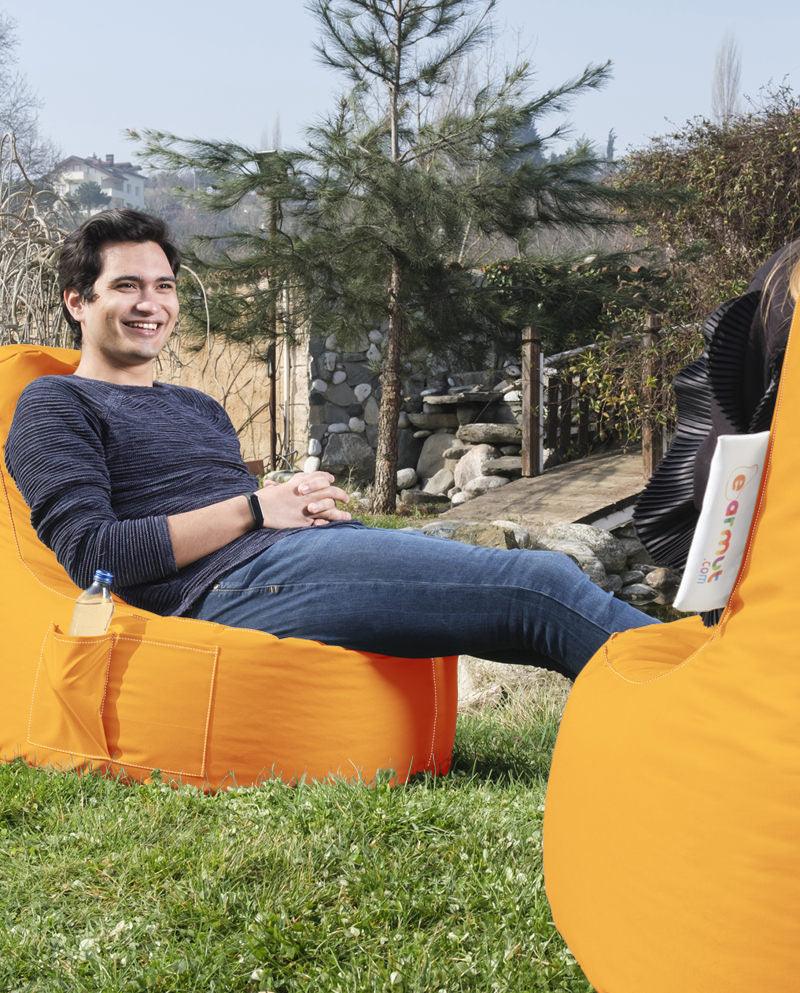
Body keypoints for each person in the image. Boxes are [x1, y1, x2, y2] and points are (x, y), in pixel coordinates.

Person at [4, 209, 659, 680]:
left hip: (279, 558)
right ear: (77, 302)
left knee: (533, 602)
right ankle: (694, 684)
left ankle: (663, 696)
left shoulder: (196, 405)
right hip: (220, 591)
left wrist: (294, 506)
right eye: (126, 286)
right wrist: (256, 509)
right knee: (538, 583)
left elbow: (229, 509)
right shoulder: (55, 403)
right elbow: (93, 555)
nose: (151, 304)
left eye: (164, 286)